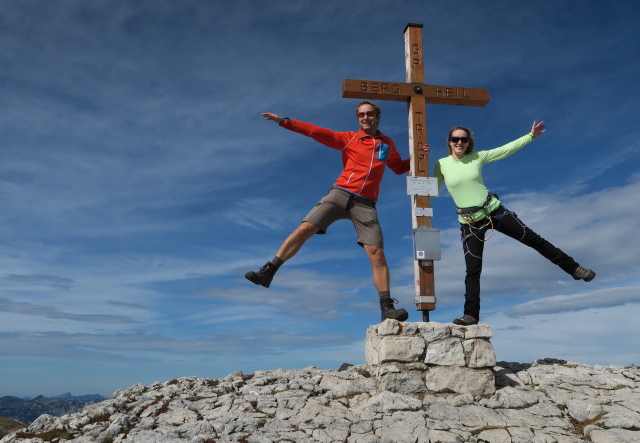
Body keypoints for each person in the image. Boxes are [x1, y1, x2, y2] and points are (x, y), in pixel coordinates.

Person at [245, 101, 415, 322]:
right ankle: (267, 271)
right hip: (340, 193)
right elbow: (315, 132)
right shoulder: (350, 138)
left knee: (377, 253)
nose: (366, 117)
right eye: (362, 115)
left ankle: (386, 308)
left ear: (378, 117)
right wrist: (284, 122)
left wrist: (419, 158)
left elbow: (399, 167)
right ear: (358, 118)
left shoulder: (387, 144)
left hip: (366, 204)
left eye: (370, 114)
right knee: (305, 228)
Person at [433, 121, 596, 326]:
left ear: (468, 143)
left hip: (494, 211)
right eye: (455, 139)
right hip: (469, 223)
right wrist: (417, 169)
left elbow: (505, 150)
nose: (459, 142)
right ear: (449, 142)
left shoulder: (477, 157)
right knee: (472, 269)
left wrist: (531, 136)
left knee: (534, 240)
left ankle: (574, 269)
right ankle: (471, 315)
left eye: (463, 139)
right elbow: (431, 189)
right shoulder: (441, 164)